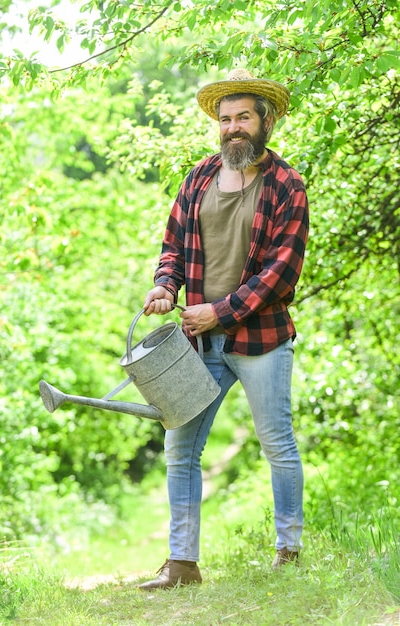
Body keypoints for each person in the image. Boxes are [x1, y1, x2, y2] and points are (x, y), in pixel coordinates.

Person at [139, 68, 309, 590]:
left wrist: (221, 311)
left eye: (243, 118)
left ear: (266, 121)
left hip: (261, 341)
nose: (233, 127)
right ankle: (182, 564)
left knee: (276, 442)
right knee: (181, 447)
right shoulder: (197, 179)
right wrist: (166, 287)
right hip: (198, 341)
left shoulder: (287, 185)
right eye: (226, 119)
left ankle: (290, 552)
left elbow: (281, 272)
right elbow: (172, 248)